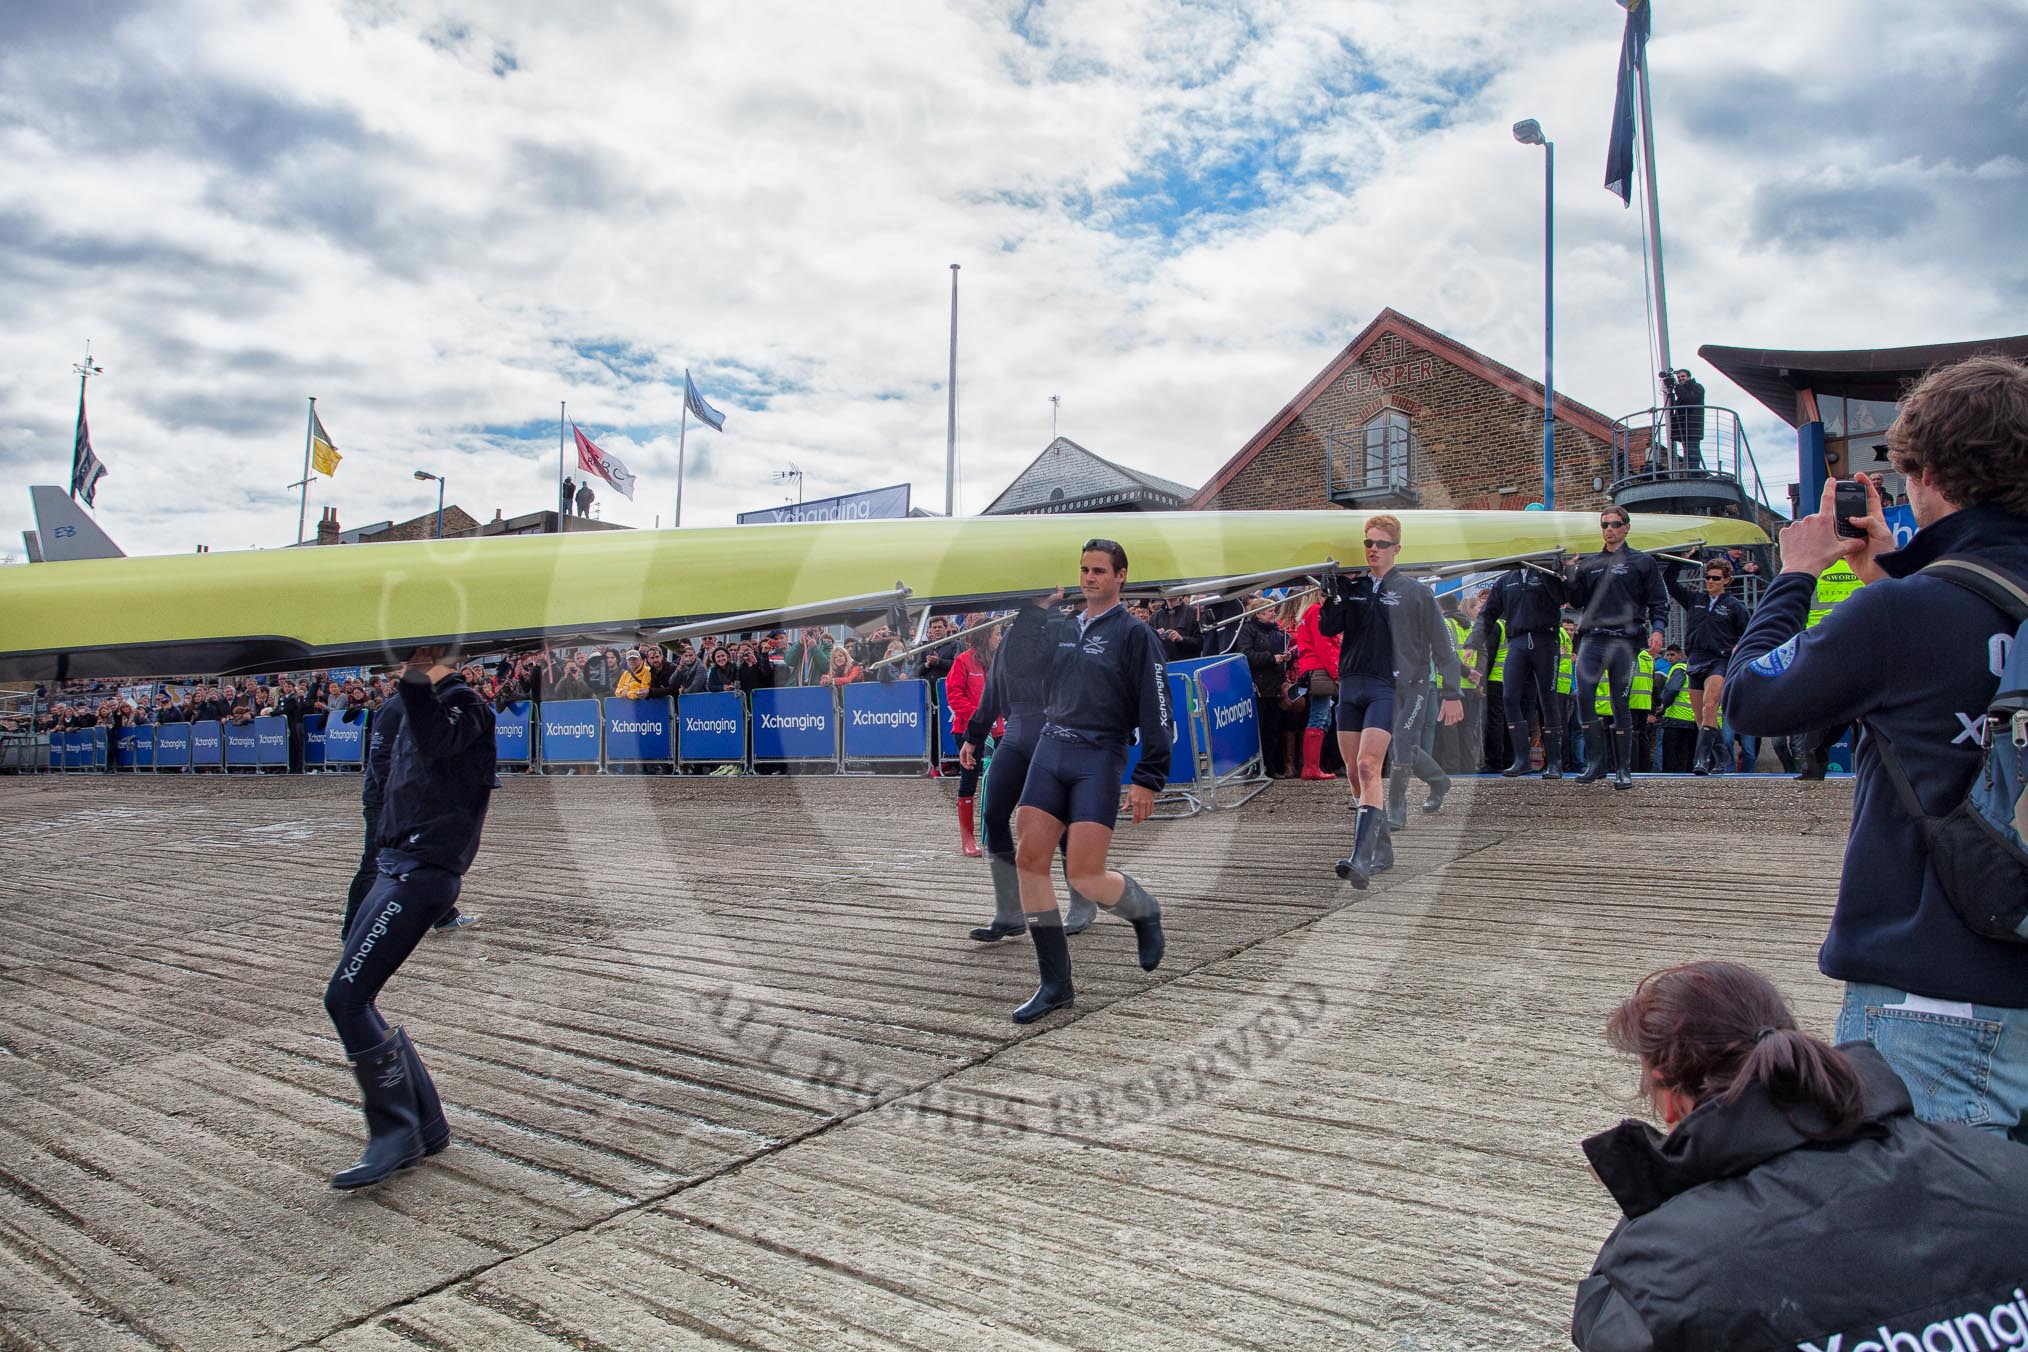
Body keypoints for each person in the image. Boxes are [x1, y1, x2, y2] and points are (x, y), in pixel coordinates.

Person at [1725, 355, 2028, 1137]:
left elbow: (1753, 698)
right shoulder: (1924, 598)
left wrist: (1795, 573)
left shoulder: (1905, 614)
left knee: (1947, 1252)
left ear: (1923, 472)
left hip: (1937, 1003)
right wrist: (1885, 572)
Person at [1572, 961, 2028, 1351]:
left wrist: (1664, 1197)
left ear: (1667, 1092)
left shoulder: (1660, 1270)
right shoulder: (2005, 1167)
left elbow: (1607, 1330)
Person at [322, 645, 495, 1189]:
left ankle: (395, 1132)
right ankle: (424, 1123)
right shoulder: (412, 704)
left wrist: (418, 676)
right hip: (395, 864)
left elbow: (436, 737)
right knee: (351, 996)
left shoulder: (466, 707)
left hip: (424, 874)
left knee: (345, 998)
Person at [1005, 540, 1171, 1024]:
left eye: (1100, 570)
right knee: (1029, 860)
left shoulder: (1135, 635)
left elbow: (1158, 709)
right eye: (1084, 569)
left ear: (1121, 576)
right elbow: (1019, 669)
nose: (1089, 577)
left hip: (1099, 753)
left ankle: (1143, 911)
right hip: (1052, 745)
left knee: (1084, 874)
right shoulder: (1060, 627)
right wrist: (1032, 614)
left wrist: (1149, 777)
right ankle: (1055, 984)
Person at [1318, 514, 1463, 886]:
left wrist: (1451, 692)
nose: (1373, 550)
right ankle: (1381, 849)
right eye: (1368, 543)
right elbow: (1328, 627)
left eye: (1381, 544)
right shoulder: (1357, 587)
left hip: (1396, 686)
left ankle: (1363, 854)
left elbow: (1441, 645)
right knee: (1353, 772)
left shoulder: (1416, 592)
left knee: (1372, 765)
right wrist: (1331, 595)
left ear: (1397, 549)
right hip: (1352, 684)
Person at [1563, 507, 1668, 789]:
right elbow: (1575, 599)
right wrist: (1570, 572)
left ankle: (1623, 768)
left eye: (1615, 524)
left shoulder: (1642, 562)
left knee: (1619, 701)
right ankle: (1596, 763)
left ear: (1626, 527)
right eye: (1605, 525)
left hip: (1625, 639)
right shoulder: (1590, 563)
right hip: (1592, 637)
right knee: (1584, 696)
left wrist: (1658, 629)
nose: (1609, 529)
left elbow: (1659, 600)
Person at [1469, 559, 1566, 778]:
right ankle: (1521, 759)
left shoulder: (1545, 574)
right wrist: (1473, 642)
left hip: (1545, 641)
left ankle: (1555, 762)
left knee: (1548, 700)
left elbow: (1564, 596)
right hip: (1518, 642)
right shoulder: (1506, 581)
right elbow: (1488, 614)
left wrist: (1561, 569)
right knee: (1509, 697)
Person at [1662, 557, 1752, 776]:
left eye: (1715, 578)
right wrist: (1683, 559)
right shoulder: (1695, 600)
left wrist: (1738, 648)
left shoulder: (1734, 606)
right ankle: (1722, 754)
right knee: (1700, 718)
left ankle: (1701, 760)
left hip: (1719, 659)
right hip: (1696, 659)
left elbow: (1750, 632)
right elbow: (1670, 583)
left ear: (1727, 580)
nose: (1710, 581)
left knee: (1710, 705)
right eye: (1707, 577)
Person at [946, 626, 996, 856]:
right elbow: (954, 696)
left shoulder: (999, 661)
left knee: (1002, 779)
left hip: (999, 730)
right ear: (985, 637)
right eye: (997, 634)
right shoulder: (963, 661)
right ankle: (968, 838)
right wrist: (980, 717)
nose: (1000, 638)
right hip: (967, 730)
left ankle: (994, 831)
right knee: (969, 781)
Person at [1291, 592, 1341, 780]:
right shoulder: (1317, 612)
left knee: (1321, 716)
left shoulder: (1307, 613)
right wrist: (1336, 672)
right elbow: (1323, 645)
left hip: (1311, 668)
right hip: (1321, 668)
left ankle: (1312, 766)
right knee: (1319, 717)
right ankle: (1312, 767)